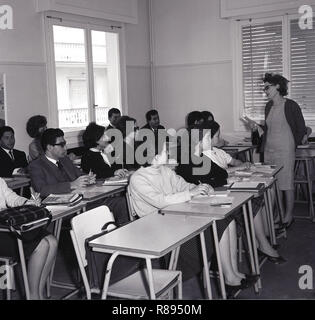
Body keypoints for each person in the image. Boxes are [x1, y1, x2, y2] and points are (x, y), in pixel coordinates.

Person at [129, 143, 258, 296]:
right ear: (153, 156)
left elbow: (182, 185)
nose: (168, 152)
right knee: (217, 225)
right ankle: (230, 278)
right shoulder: (138, 178)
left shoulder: (164, 171)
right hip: (157, 228)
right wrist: (191, 194)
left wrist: (200, 188)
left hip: (173, 218)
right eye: (165, 150)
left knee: (226, 220)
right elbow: (160, 201)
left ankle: (234, 273)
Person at [177, 121, 285, 264]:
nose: (211, 140)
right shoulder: (188, 160)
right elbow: (210, 181)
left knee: (251, 202)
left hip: (212, 197)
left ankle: (261, 243)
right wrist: (215, 180)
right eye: (208, 138)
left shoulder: (201, 158)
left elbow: (220, 175)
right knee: (246, 207)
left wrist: (215, 179)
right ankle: (261, 244)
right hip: (200, 206)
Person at [28, 128, 129, 225]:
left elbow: (80, 175)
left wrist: (88, 178)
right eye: (61, 145)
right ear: (49, 147)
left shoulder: (65, 160)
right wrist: (71, 185)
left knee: (122, 202)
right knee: (108, 209)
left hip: (82, 202)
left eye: (65, 144)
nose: (66, 148)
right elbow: (41, 190)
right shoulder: (36, 166)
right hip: (63, 209)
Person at [246, 73, 307, 227]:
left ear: (278, 86)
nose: (265, 90)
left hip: (285, 149)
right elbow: (268, 129)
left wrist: (293, 145)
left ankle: (288, 216)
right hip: (269, 149)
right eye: (264, 88)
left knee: (286, 183)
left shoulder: (291, 105)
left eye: (267, 87)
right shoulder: (268, 106)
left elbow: (301, 128)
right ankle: (278, 215)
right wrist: (256, 127)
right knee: (273, 184)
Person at [0, 177, 57, 300]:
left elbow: (12, 197)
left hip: (6, 227)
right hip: (2, 231)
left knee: (52, 242)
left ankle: (37, 293)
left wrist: (27, 202)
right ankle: (33, 297)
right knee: (42, 245)